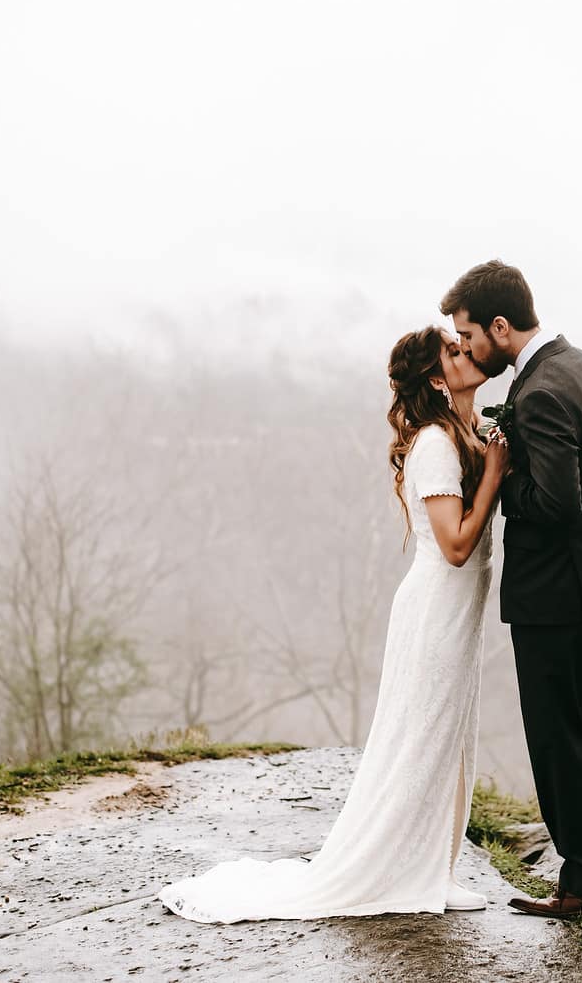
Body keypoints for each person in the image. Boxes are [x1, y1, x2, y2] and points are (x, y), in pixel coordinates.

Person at [157, 326, 509, 922]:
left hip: (459, 608)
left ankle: (437, 868)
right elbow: (453, 546)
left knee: (451, 740)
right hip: (436, 607)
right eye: (453, 350)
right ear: (433, 376)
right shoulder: (433, 445)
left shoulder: (464, 431)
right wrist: (495, 473)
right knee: (423, 739)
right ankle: (415, 871)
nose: (466, 353)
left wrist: (489, 443)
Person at [441, 260, 582, 921]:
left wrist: (503, 474)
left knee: (560, 736)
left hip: (556, 596)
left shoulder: (538, 393)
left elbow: (556, 503)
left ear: (500, 327)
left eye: (469, 334)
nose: (469, 347)